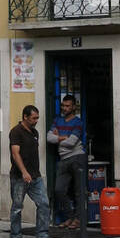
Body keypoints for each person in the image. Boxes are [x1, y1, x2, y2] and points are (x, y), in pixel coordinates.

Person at [9, 105, 55, 238]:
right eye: (34, 118)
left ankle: (42, 236)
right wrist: (24, 171)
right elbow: (15, 153)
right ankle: (15, 237)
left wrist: (34, 173)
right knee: (17, 207)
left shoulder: (34, 132)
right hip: (19, 176)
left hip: (35, 176)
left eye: (37, 118)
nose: (36, 121)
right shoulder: (16, 132)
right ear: (25, 117)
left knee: (44, 204)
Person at [47, 93, 87, 229]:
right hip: (63, 159)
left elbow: (72, 142)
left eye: (68, 106)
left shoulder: (78, 122)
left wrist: (58, 138)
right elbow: (49, 138)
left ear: (74, 107)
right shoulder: (57, 120)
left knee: (79, 191)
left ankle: (78, 219)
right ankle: (70, 217)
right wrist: (64, 138)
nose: (64, 108)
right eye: (63, 105)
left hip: (77, 157)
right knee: (59, 190)